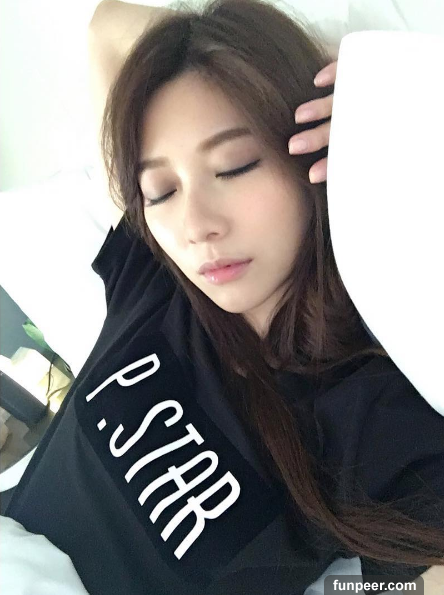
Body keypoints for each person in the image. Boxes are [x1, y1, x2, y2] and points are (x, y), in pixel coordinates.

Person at [4, 0, 444, 593]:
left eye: (234, 166)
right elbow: (108, 25)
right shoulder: (155, 277)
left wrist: (385, 108)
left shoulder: (374, 418)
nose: (194, 226)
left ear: (309, 144)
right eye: (161, 190)